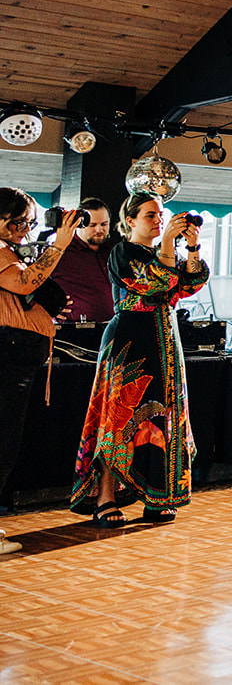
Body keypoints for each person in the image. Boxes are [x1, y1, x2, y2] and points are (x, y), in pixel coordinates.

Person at [70, 193, 208, 526]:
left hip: (165, 340)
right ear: (130, 220)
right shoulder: (122, 252)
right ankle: (105, 497)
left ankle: (157, 496)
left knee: (163, 419)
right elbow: (152, 282)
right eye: (150, 215)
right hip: (130, 341)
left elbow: (193, 282)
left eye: (161, 214)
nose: (159, 220)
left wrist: (191, 248)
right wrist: (169, 247)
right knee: (117, 418)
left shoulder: (165, 251)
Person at [0, 191, 81, 554]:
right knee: (2, 442)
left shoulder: (10, 252)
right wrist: (60, 244)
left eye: (27, 223)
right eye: (15, 222)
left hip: (17, 353)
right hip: (8, 354)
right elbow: (25, 282)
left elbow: (26, 289)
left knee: (6, 442)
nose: (22, 230)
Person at [51, 198, 115, 324]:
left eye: (104, 224)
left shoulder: (115, 251)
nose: (99, 230)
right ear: (79, 224)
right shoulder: (60, 251)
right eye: (92, 225)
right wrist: (48, 306)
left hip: (115, 330)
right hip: (75, 334)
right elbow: (32, 285)